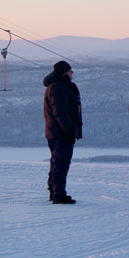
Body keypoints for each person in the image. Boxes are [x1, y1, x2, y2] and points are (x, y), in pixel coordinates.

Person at [43, 60, 82, 204]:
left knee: (57, 162)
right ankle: (58, 195)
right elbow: (60, 112)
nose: (72, 73)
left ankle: (55, 192)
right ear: (64, 72)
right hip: (60, 134)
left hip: (57, 133)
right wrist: (70, 130)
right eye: (70, 70)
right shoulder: (59, 87)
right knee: (61, 163)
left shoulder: (58, 86)